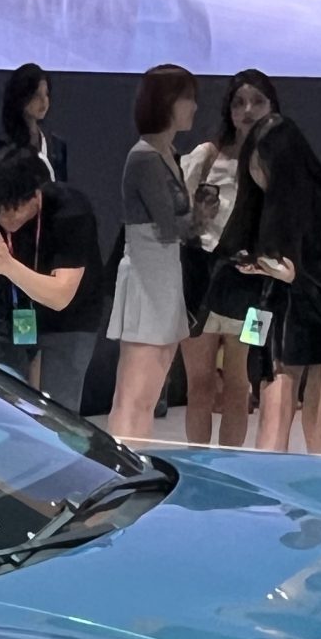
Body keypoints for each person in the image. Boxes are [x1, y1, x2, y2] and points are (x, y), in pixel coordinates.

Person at [215, 114, 321, 454]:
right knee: (272, 418)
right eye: (252, 167)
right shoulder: (260, 199)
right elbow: (231, 252)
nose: (258, 176)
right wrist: (249, 264)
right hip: (272, 317)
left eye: (263, 167)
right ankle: (267, 488)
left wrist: (297, 276)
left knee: (318, 425)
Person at [179, 70, 280, 445]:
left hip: (254, 289)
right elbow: (178, 217)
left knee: (241, 384)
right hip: (201, 285)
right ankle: (197, 465)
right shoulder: (207, 156)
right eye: (239, 103)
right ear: (228, 110)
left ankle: (228, 468)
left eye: (257, 102)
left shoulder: (279, 164)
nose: (248, 110)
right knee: (199, 385)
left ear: (272, 107)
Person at [0, 145, 100, 391]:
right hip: (10, 313)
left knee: (57, 405)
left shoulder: (70, 211)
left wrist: (7, 265)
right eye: (0, 212)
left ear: (36, 195)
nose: (7, 219)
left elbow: (60, 297)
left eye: (14, 210)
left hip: (68, 320)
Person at [106, 64, 200, 441]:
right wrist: (200, 217)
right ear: (166, 102)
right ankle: (121, 463)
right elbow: (169, 225)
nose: (194, 107)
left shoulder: (168, 153)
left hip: (166, 276)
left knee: (149, 394)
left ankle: (140, 458)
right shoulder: (144, 157)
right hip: (147, 277)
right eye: (187, 98)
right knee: (132, 395)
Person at [0, 62, 69, 183]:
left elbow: (63, 187)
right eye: (36, 95)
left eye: (46, 94)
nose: (44, 101)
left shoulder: (56, 145)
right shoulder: (3, 147)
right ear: (21, 97)